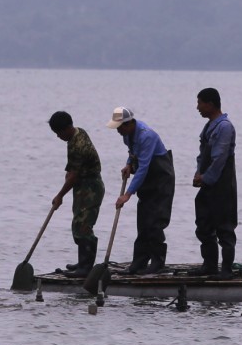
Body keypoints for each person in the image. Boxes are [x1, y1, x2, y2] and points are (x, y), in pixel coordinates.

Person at [107, 106, 175, 275]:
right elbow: (133, 153)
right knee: (143, 222)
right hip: (147, 182)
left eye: (119, 127)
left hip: (161, 180)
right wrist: (129, 164)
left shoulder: (147, 136)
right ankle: (139, 262)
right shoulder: (127, 136)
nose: (118, 131)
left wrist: (127, 194)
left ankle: (158, 262)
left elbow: (143, 167)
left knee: (155, 222)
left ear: (129, 124)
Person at [48, 111, 105, 278]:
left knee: (84, 226)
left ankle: (86, 268)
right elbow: (72, 170)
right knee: (78, 224)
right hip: (82, 185)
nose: (58, 137)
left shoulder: (78, 145)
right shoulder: (76, 134)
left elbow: (73, 176)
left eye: (59, 133)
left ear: (66, 129)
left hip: (91, 187)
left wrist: (59, 196)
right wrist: (68, 177)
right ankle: (82, 262)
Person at [190, 88, 238, 279]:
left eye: (200, 103)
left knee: (225, 227)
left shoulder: (224, 127)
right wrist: (198, 173)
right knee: (203, 224)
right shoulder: (210, 126)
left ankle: (226, 270)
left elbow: (219, 158)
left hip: (222, 186)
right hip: (208, 185)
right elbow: (203, 155)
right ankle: (209, 265)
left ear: (210, 104)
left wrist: (206, 178)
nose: (198, 107)